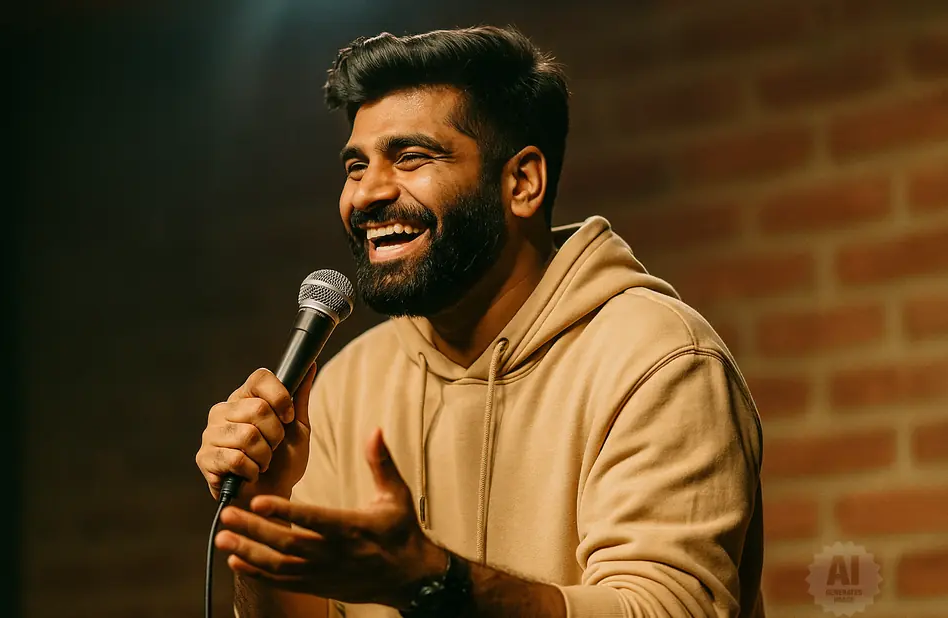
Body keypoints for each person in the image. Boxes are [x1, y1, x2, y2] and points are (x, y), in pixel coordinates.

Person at [195, 25, 765, 618]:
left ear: (522, 182)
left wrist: (437, 582)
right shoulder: (345, 385)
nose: (366, 194)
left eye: (410, 157)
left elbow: (668, 610)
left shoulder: (658, 360)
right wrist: (264, 510)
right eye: (356, 165)